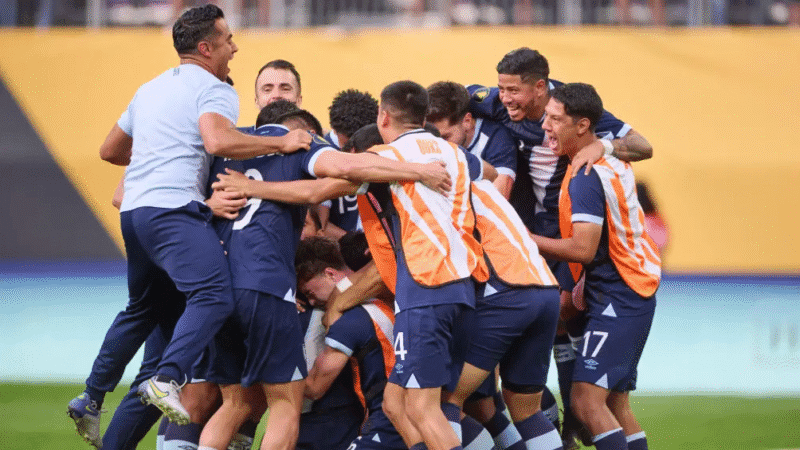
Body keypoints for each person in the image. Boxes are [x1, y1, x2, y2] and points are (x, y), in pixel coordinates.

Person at [67, 4, 312, 441]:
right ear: (206, 47)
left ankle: (91, 395)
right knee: (214, 299)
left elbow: (110, 151)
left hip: (137, 216)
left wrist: (158, 158)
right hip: (178, 220)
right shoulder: (216, 91)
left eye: (284, 86)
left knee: (141, 313)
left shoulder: (151, 88)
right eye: (227, 39)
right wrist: (280, 146)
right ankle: (168, 378)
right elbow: (218, 139)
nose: (234, 47)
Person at [199, 107, 452, 450]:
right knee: (287, 404)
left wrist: (210, 203)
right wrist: (419, 171)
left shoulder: (224, 152)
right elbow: (321, 188)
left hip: (217, 290)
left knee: (232, 403)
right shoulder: (303, 151)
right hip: (269, 289)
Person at [468, 47, 653, 448]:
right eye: (501, 89)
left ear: (541, 88)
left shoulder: (575, 117)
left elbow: (643, 146)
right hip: (541, 235)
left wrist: (603, 147)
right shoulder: (493, 103)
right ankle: (561, 415)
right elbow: (446, 107)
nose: (505, 98)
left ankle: (567, 417)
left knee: (563, 313)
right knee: (541, 321)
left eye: (513, 90)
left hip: (563, 238)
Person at [533, 83, 660, 450]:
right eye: (547, 118)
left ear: (583, 125)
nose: (546, 127)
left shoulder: (586, 175)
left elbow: (583, 249)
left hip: (620, 294)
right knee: (616, 404)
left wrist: (522, 239)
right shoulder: (606, 159)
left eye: (556, 120)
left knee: (586, 402)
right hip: (626, 289)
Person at [296, 236, 408, 450]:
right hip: (405, 405)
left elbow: (314, 387)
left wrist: (273, 375)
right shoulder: (381, 301)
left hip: (388, 418)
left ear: (330, 273)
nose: (311, 302)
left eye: (310, 292)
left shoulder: (349, 321)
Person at [427, 81, 517, 199]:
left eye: (445, 137)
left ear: (467, 121)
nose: (439, 145)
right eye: (433, 138)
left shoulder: (498, 141)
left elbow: (499, 199)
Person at [315, 89, 381, 240]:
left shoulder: (380, 147)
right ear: (335, 129)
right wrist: (358, 244)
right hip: (344, 248)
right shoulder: (319, 155)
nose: (352, 151)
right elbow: (320, 226)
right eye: (347, 143)